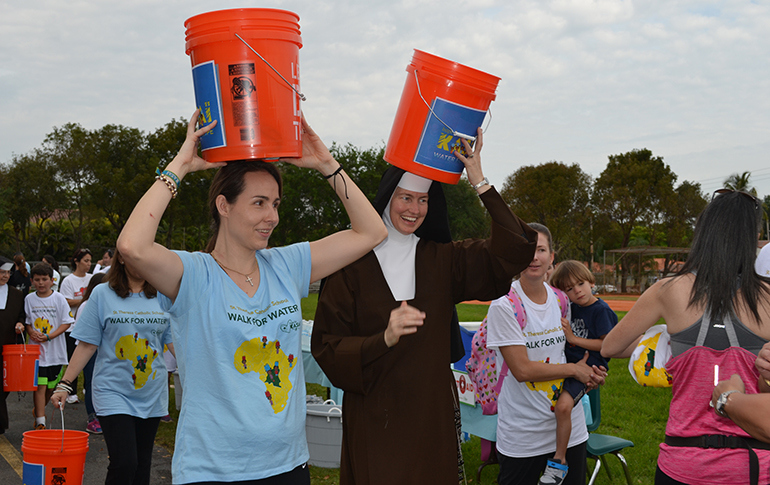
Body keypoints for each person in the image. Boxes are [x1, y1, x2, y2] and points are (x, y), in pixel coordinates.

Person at [116, 110, 387, 484]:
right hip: (212, 471)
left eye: (275, 203)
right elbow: (132, 246)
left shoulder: (287, 264)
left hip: (287, 466)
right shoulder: (194, 274)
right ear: (224, 206)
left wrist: (325, 162)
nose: (272, 216)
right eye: (259, 203)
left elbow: (371, 231)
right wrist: (180, 165)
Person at [311, 129, 538, 484]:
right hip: (375, 417)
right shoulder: (349, 263)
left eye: (423, 200)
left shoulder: (442, 260)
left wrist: (479, 181)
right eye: (405, 198)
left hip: (430, 416)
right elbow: (327, 345)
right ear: (386, 199)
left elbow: (518, 247)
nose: (414, 210)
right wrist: (382, 338)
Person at [602, 189, 770, 485]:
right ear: (751, 236)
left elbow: (611, 346)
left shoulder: (668, 290)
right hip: (753, 466)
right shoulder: (767, 298)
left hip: (682, 463)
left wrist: (667, 337)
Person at [486, 224, 606, 485]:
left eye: (541, 249)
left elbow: (572, 354)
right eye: (527, 250)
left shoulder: (562, 300)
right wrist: (576, 371)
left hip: (569, 431)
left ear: (552, 257)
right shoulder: (504, 306)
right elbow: (522, 370)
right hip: (523, 436)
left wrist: (590, 375)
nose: (534, 257)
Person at [51, 249, 173, 485]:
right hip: (112, 391)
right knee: (125, 462)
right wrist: (65, 385)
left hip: (152, 391)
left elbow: (175, 343)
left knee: (141, 465)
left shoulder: (164, 296)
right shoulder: (102, 294)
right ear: (122, 258)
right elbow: (87, 344)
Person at [547, 260, 618, 484]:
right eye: (569, 288)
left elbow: (608, 345)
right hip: (570, 365)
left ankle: (559, 460)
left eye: (580, 283)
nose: (577, 291)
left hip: (589, 368)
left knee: (563, 407)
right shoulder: (571, 306)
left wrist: (574, 339)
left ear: (591, 281)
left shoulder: (601, 310)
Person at [25, 263, 74, 429]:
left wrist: (49, 336)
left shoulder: (59, 298)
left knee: (49, 388)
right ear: (32, 281)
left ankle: (38, 409)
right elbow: (27, 323)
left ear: (52, 280)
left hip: (56, 352)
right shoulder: (29, 299)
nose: (40, 283)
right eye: (37, 279)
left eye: (44, 279)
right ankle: (41, 422)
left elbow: (66, 323)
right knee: (40, 386)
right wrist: (31, 332)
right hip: (36, 353)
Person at [73, 272, 106, 434]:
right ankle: (92, 417)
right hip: (90, 351)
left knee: (102, 384)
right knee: (91, 384)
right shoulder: (87, 305)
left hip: (105, 351)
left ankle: (103, 414)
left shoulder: (108, 304)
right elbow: (82, 334)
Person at [60, 248, 94, 403]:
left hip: (89, 325)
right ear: (77, 261)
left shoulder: (92, 278)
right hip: (72, 326)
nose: (89, 264)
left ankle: (88, 387)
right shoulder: (68, 281)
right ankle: (71, 391)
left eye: (90, 261)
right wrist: (86, 301)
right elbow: (66, 301)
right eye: (86, 260)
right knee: (73, 359)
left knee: (90, 361)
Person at [0, 256, 26, 434]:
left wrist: (20, 324)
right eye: (2, 272)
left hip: (8, 346)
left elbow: (21, 316)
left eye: (8, 272)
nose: (5, 276)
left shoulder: (16, 294)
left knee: (5, 386)